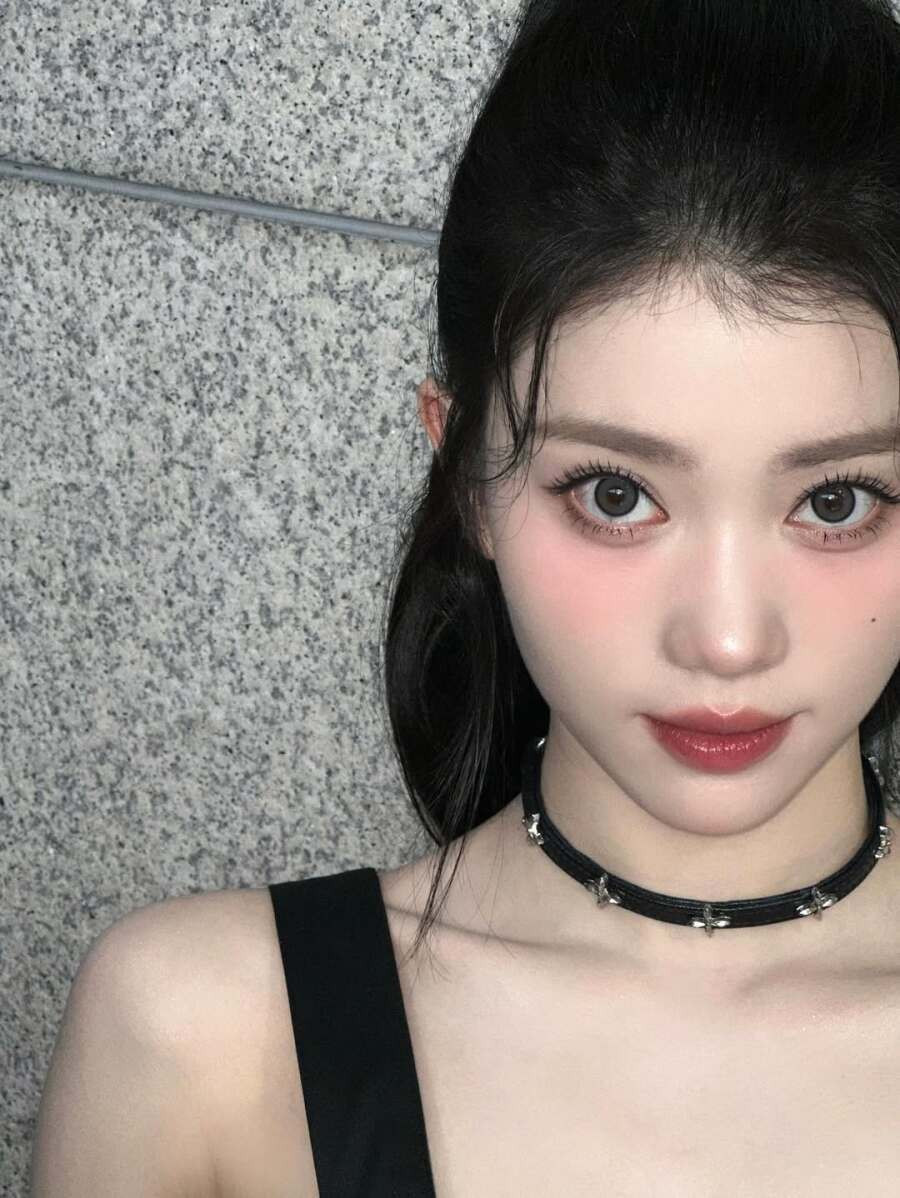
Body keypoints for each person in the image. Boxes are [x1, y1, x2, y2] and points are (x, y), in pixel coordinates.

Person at [29, 0, 900, 1195]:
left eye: (838, 501)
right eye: (615, 494)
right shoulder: (205, 1039)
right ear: (465, 476)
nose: (729, 637)